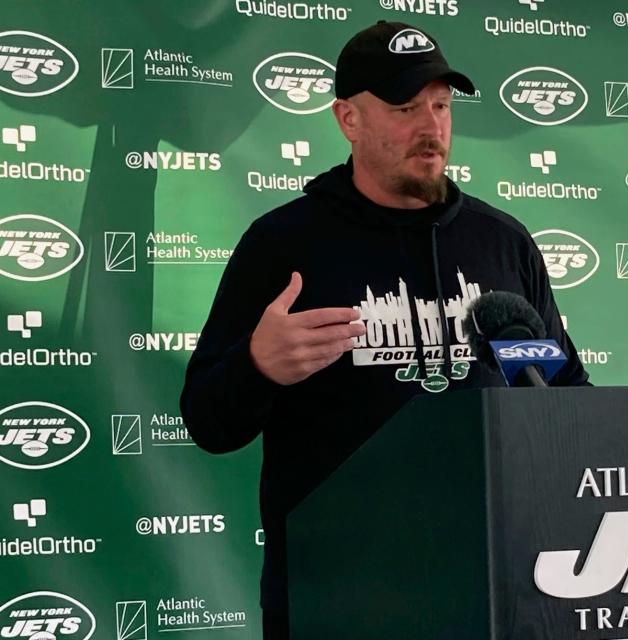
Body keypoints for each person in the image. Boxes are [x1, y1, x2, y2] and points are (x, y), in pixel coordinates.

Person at [180, 20, 590, 640]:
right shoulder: (282, 244)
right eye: (404, 108)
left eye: (442, 106)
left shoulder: (502, 242)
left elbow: (566, 402)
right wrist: (256, 367)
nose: (431, 129)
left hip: (493, 587)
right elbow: (208, 422)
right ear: (348, 119)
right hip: (337, 596)